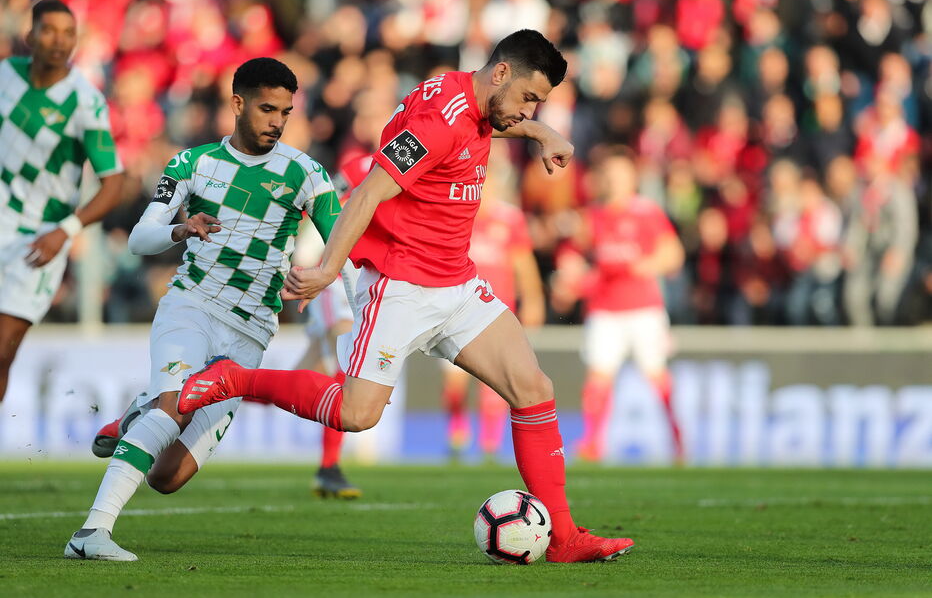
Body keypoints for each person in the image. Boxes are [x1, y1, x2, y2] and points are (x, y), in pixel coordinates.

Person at [179, 29, 635, 562]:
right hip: (402, 285)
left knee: (533, 388)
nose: (530, 109)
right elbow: (371, 189)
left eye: (540, 103)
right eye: (529, 98)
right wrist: (329, 269)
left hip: (457, 283)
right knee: (356, 414)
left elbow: (490, 120)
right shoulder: (439, 118)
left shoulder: (476, 101)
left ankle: (563, 537)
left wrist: (539, 133)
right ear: (502, 72)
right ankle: (232, 378)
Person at [64, 57, 341, 561]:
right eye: (267, 109)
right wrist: (181, 228)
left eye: (285, 111)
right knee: (172, 409)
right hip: (192, 304)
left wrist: (324, 275)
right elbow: (140, 239)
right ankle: (91, 533)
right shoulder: (192, 165)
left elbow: (342, 240)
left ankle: (139, 412)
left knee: (167, 477)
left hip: (252, 331)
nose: (277, 122)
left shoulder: (305, 172)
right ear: (237, 104)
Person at [0, 0, 123, 401]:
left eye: (68, 33)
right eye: (50, 30)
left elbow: (113, 182)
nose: (59, 41)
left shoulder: (84, 102)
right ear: (29, 35)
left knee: (2, 351)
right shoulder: (4, 75)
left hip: (39, 239)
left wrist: (65, 231)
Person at [571, 147, 685, 463]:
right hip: (604, 309)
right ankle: (593, 443)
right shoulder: (592, 216)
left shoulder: (647, 213)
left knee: (657, 376)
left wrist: (647, 265)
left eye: (621, 174)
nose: (615, 181)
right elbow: (576, 256)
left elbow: (673, 255)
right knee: (598, 377)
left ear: (632, 178)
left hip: (643, 308)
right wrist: (573, 275)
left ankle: (676, 439)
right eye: (610, 175)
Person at [441, 150, 545, 460]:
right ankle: (457, 432)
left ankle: (488, 444)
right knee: (455, 380)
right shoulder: (455, 213)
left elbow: (523, 263)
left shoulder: (510, 218)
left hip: (495, 312)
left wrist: (534, 299)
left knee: (496, 382)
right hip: (454, 309)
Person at [295, 155, 371, 498]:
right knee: (347, 353)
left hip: (361, 275)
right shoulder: (364, 165)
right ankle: (329, 467)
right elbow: (323, 206)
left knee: (299, 376)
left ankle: (205, 389)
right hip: (335, 275)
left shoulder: (416, 162)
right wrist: (313, 260)